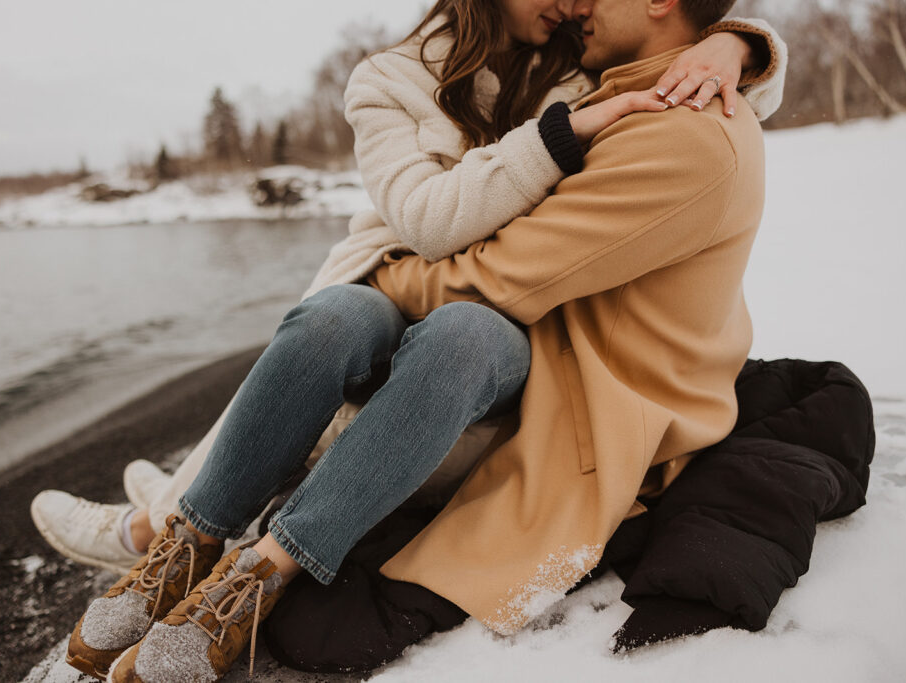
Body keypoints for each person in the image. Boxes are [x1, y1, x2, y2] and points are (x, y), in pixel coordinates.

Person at [45, 1, 785, 680]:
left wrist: (736, 43)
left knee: (459, 331)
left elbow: (691, 74)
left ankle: (249, 571)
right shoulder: (389, 81)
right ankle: (180, 545)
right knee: (333, 317)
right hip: (415, 273)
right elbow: (429, 220)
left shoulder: (580, 63)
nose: (575, 1)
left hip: (507, 323)